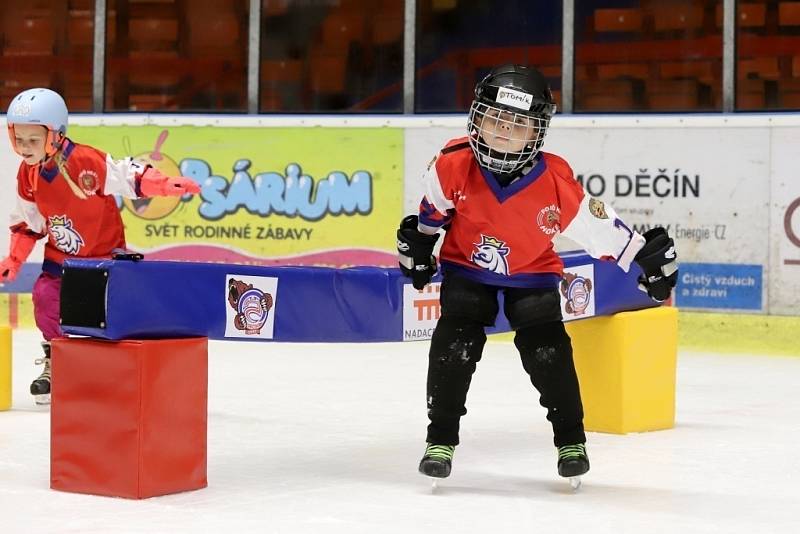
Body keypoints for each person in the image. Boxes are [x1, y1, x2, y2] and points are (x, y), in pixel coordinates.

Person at [397, 64, 678, 482]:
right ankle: (440, 438)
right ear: (477, 119)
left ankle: (571, 440)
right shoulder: (452, 164)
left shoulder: (555, 180)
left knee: (549, 352)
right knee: (453, 345)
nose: (503, 132)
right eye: (495, 119)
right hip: (467, 269)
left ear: (536, 132)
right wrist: (420, 239)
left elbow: (599, 229)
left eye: (517, 125)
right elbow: (431, 213)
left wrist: (643, 256)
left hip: (532, 273)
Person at [0, 88, 201, 405]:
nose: (24, 148)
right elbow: (29, 222)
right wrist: (14, 257)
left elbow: (127, 175)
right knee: (44, 298)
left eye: (32, 140)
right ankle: (60, 365)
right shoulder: (29, 174)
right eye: (19, 139)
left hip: (104, 258)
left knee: (109, 317)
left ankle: (118, 373)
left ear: (55, 135)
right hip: (61, 260)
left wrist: (164, 184)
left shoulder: (85, 161)